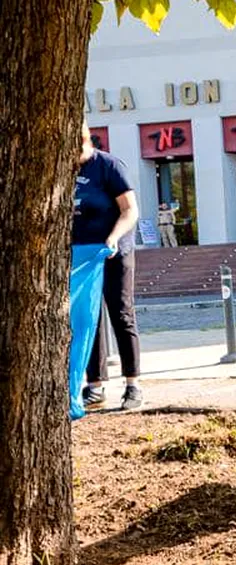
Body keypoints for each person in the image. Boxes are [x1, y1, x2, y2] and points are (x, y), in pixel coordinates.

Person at [74, 120, 143, 411]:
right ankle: (95, 386)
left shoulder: (109, 166)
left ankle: (132, 384)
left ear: (85, 142)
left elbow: (130, 211)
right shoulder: (63, 170)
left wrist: (113, 238)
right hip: (80, 256)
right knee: (86, 319)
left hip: (113, 252)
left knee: (120, 312)